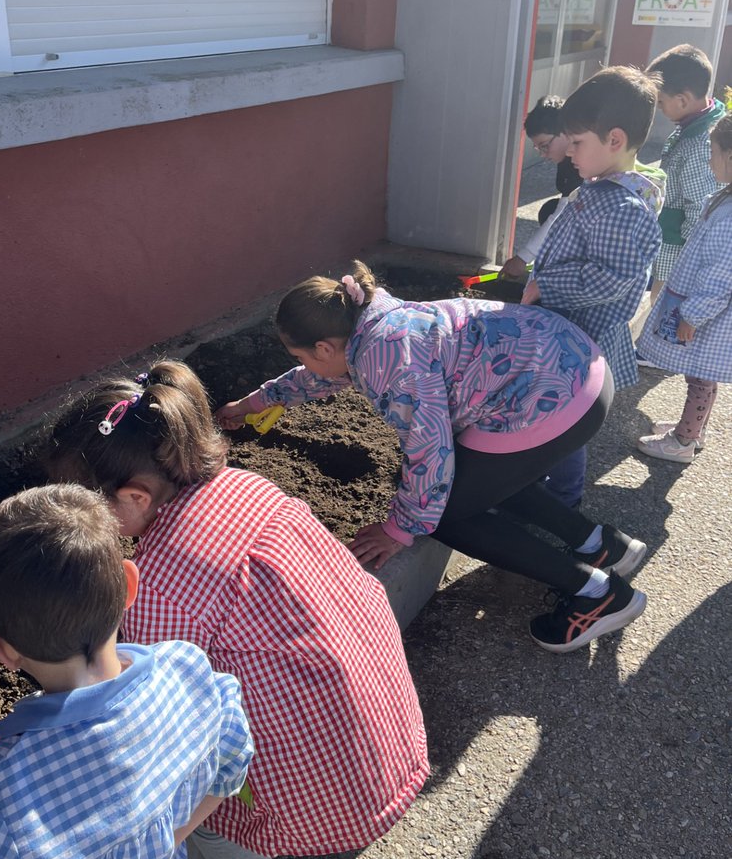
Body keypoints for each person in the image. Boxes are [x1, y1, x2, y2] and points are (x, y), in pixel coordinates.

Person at [47, 362, 429, 859]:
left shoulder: (162, 585)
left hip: (327, 771)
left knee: (210, 799)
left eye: (85, 508)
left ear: (134, 496)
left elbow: (144, 723)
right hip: (382, 716)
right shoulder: (242, 487)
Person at [218, 262, 648, 655]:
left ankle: (598, 594)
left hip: (552, 399)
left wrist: (400, 528)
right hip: (576, 367)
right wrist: (253, 403)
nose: (303, 366)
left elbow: (429, 451)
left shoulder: (387, 359)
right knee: (477, 477)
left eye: (300, 357)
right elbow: (319, 379)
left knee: (446, 515)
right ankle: (602, 545)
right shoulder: (372, 323)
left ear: (325, 347)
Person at [0, 484, 254, 859]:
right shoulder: (188, 673)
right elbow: (233, 758)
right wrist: (159, 843)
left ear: (1, 650)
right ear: (129, 585)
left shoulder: (2, 790)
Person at [520, 66, 666, 507]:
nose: (570, 154)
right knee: (555, 415)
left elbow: (613, 275)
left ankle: (562, 500)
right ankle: (551, 486)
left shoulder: (620, 205)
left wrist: (547, 284)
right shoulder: (604, 188)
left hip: (580, 336)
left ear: (615, 140)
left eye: (578, 143)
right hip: (571, 328)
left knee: (564, 421)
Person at [635, 113, 732, 462]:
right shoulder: (724, 198)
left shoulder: (730, 216)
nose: (709, 161)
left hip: (707, 316)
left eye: (713, 153)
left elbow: (720, 278)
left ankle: (684, 440)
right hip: (706, 313)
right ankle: (694, 429)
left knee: (699, 378)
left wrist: (691, 315)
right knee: (701, 376)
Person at [644, 44, 726, 309]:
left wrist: (691, 260)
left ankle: (657, 349)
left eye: (660, 102)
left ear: (682, 99)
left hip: (678, 246)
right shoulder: (692, 127)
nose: (659, 109)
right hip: (672, 236)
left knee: (663, 304)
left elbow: (699, 206)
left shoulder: (700, 143)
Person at [500, 95, 582, 280]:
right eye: (539, 149)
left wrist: (523, 257)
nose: (544, 155)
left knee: (552, 212)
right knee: (549, 209)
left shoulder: (579, 166)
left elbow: (561, 216)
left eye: (545, 146)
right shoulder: (566, 162)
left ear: (566, 132)